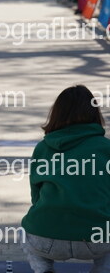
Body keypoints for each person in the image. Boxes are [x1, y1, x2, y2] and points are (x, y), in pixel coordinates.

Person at [21, 85, 110, 273]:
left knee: (27, 230)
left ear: (56, 114)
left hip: (46, 237)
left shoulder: (43, 148)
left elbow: (36, 196)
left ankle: (43, 269)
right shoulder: (106, 148)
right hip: (97, 238)